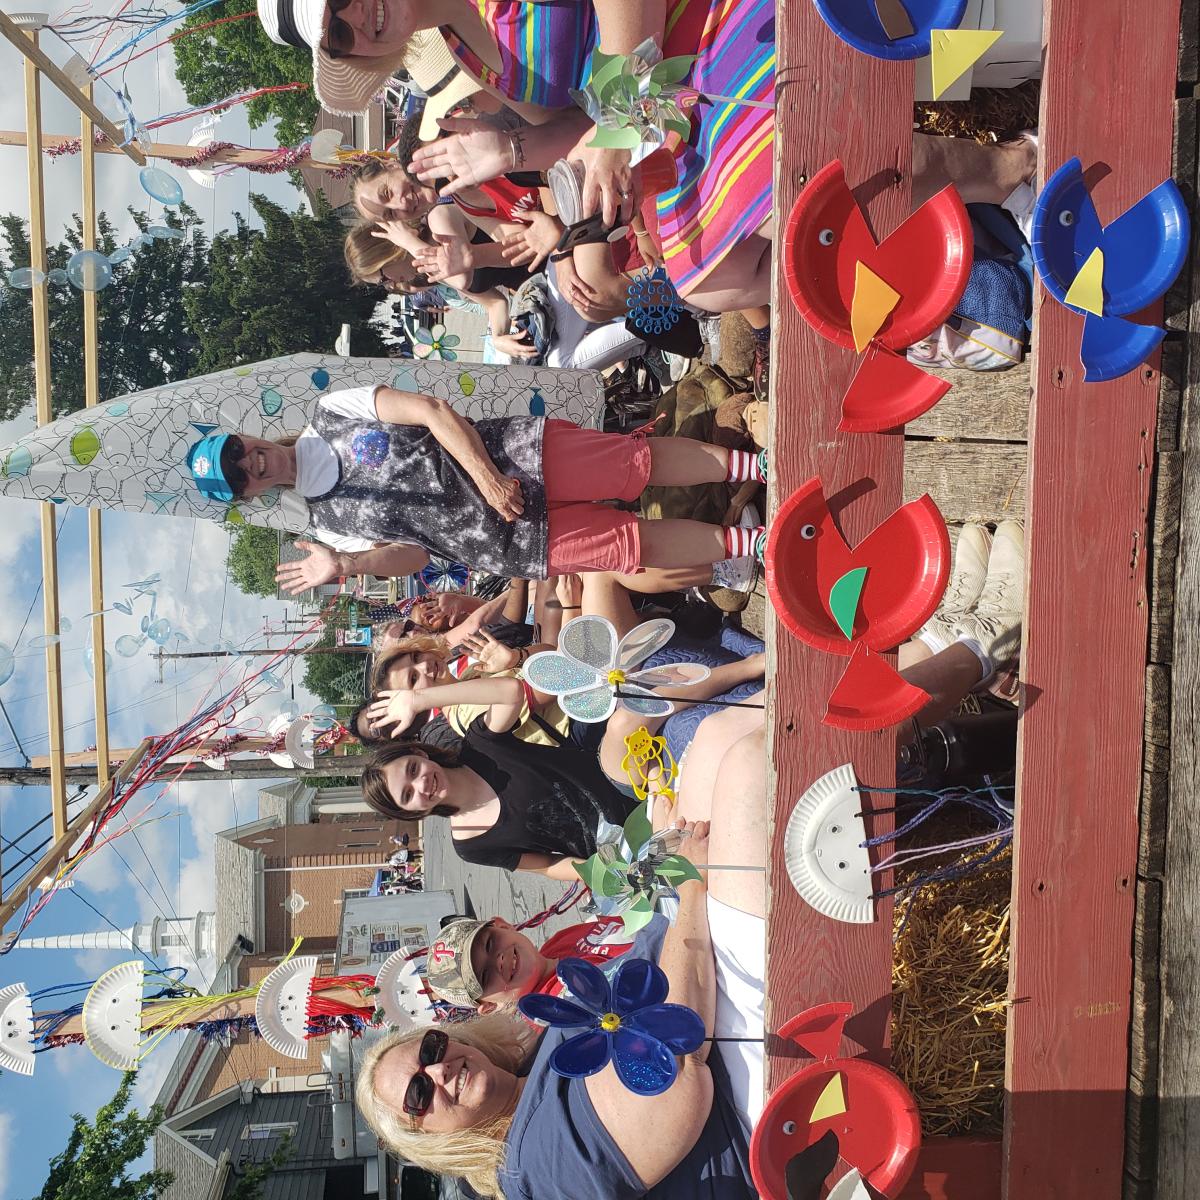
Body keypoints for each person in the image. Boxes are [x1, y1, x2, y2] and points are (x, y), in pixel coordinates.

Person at [186, 383, 773, 590]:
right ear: (248, 497)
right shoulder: (325, 526)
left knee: (633, 463)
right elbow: (415, 555)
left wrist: (489, 480)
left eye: (236, 450)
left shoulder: (331, 413)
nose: (249, 463)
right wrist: (344, 566)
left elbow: (432, 412)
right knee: (631, 546)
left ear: (244, 437)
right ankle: (757, 547)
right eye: (237, 476)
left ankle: (755, 468)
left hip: (511, 455)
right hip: (506, 543)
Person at [358, 650, 764, 876]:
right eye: (408, 795)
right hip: (624, 845)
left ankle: (752, 666)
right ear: (411, 811)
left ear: (421, 753)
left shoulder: (479, 746)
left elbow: (510, 692)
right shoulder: (471, 845)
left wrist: (421, 700)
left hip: (618, 777)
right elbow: (550, 866)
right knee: (677, 834)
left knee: (626, 719)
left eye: (412, 770)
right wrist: (608, 873)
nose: (421, 784)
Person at [425, 914, 633, 1014]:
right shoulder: (558, 1010)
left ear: (503, 925)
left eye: (490, 943)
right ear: (489, 1006)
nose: (499, 960)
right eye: (485, 976)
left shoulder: (557, 943)